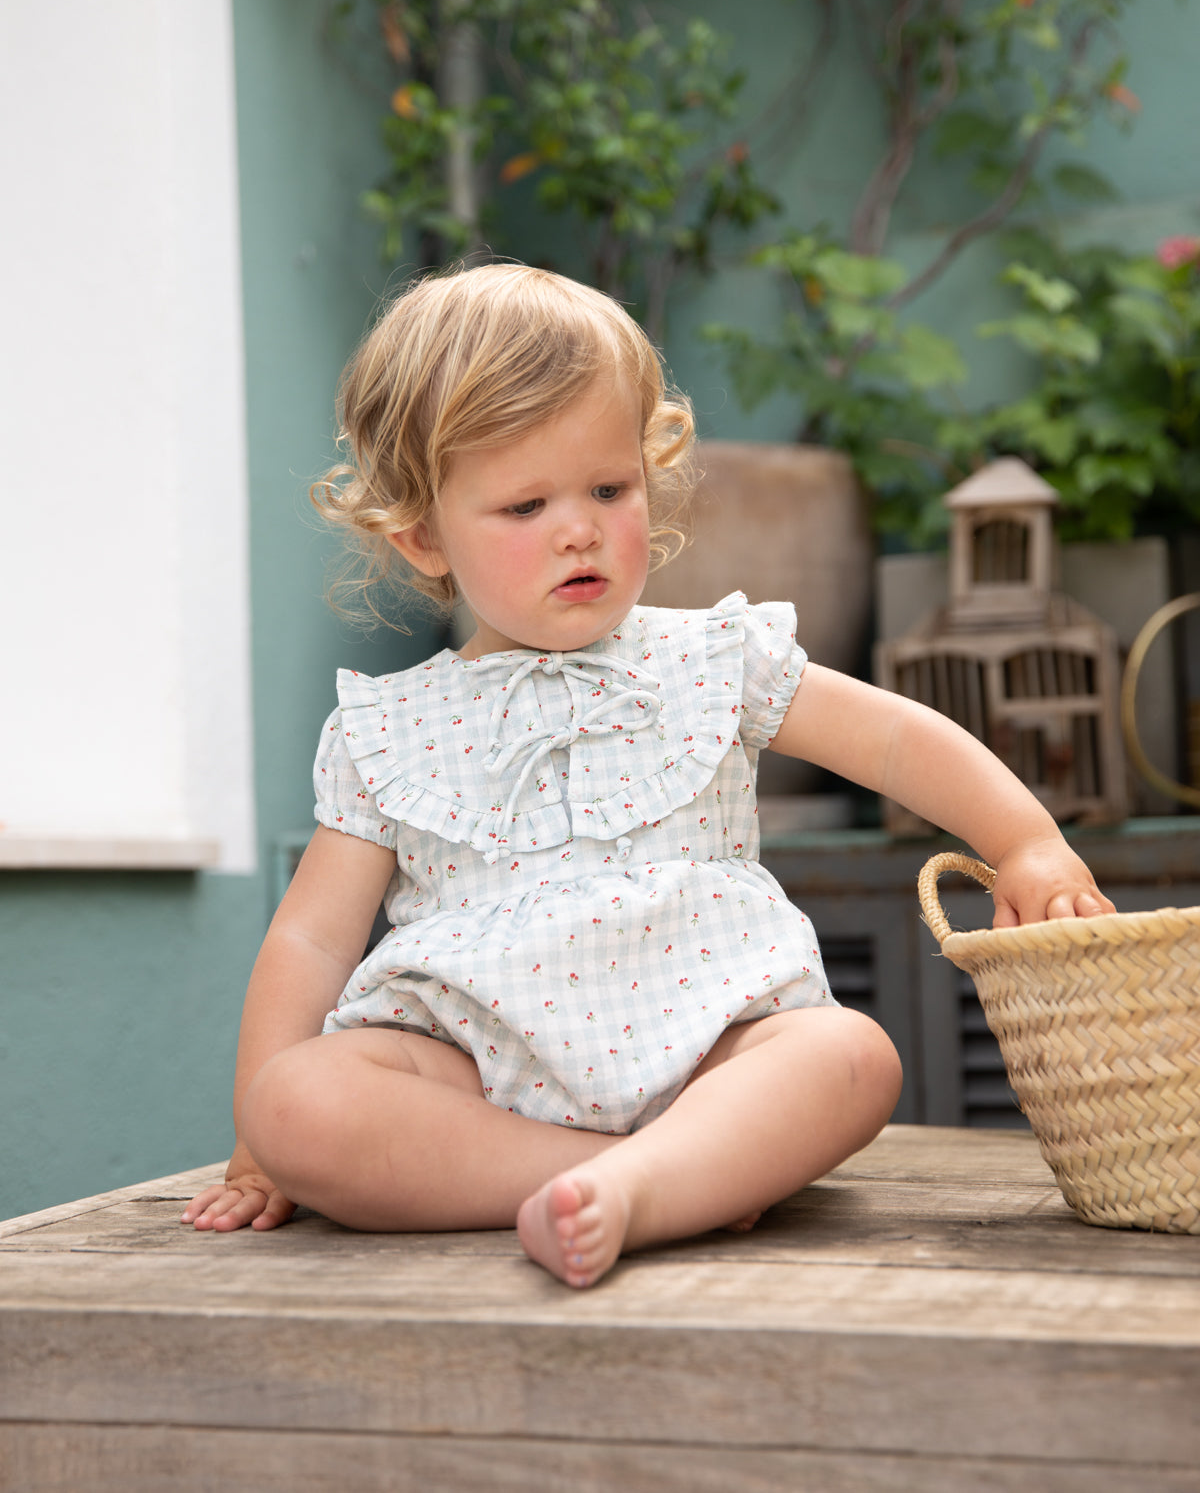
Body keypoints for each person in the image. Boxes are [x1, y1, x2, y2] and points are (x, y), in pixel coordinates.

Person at [182, 263, 1114, 1287]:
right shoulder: (390, 725)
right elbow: (311, 936)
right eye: (526, 503)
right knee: (296, 1100)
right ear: (420, 535)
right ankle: (639, 1181)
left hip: (710, 1046)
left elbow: (893, 742)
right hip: (472, 1074)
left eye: (608, 488)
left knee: (847, 1057)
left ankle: (654, 1176)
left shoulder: (712, 659)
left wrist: (1024, 842)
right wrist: (256, 1142)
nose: (579, 527)